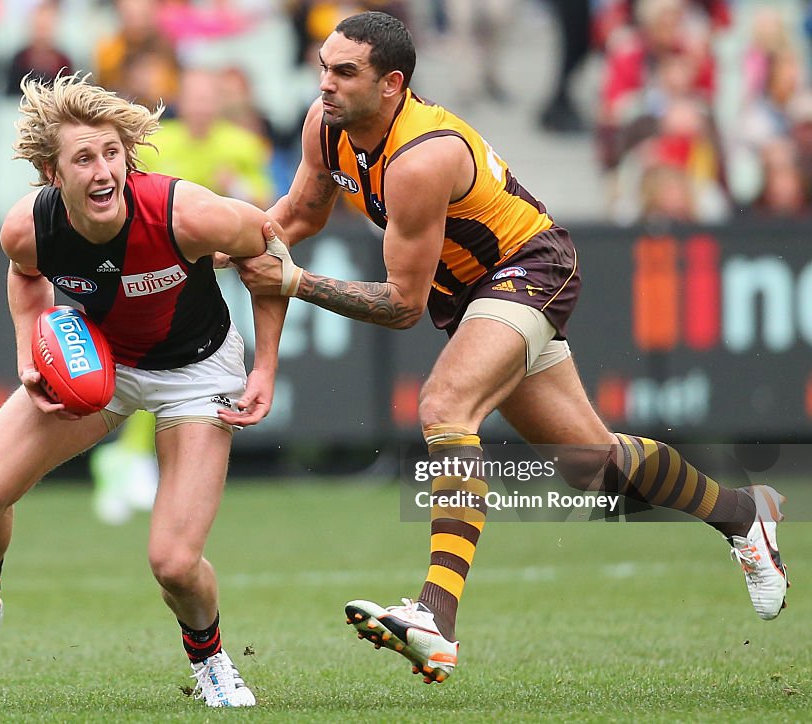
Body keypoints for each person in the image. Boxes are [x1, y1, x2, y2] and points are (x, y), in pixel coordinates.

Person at [234, 11, 789, 685]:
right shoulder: (327, 127)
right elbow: (293, 217)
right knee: (591, 466)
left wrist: (294, 281)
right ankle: (741, 514)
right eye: (324, 66)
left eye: (344, 72)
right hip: (475, 295)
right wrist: (212, 242)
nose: (325, 83)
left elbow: (403, 305)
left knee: (445, 405)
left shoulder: (420, 156)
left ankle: (436, 620)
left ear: (391, 84)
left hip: (530, 268)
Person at [0, 72, 288, 709]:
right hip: (105, 361)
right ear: (51, 172)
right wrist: (28, 354)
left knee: (175, 565)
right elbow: (25, 278)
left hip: (199, 371)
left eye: (112, 154)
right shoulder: (27, 228)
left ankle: (209, 659)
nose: (103, 172)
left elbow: (269, 257)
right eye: (83, 158)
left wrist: (264, 368)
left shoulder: (188, 212)